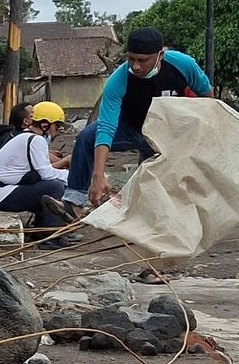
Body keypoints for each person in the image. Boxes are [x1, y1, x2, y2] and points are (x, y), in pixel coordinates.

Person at [45, 27, 211, 223]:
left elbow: (207, 97)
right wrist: (98, 175)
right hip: (131, 126)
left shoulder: (183, 65)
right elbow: (106, 127)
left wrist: (202, 132)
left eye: (143, 60)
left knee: (158, 181)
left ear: (160, 55)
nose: (136, 66)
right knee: (87, 137)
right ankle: (73, 204)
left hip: (168, 133)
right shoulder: (118, 80)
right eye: (131, 59)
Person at [0, 101, 75, 248]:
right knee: (55, 187)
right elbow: (47, 174)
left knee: (51, 186)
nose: (57, 133)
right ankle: (51, 237)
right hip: (0, 194)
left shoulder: (26, 136)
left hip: (1, 190)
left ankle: (43, 229)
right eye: (56, 127)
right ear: (45, 126)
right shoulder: (35, 140)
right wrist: (73, 178)